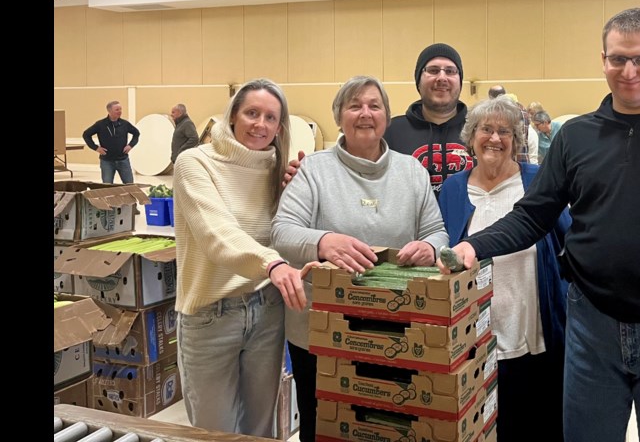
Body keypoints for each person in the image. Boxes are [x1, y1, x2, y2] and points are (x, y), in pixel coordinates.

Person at [438, 7, 640, 442]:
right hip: (591, 327)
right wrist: (474, 245)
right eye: (617, 58)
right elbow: (534, 214)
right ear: (603, 60)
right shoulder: (576, 136)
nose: (629, 70)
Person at [272, 75, 449, 442]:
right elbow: (282, 232)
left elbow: (437, 231)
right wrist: (324, 241)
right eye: (354, 106)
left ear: (386, 116)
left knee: (387, 424)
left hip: (393, 331)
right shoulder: (313, 170)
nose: (365, 114)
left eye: (374, 105)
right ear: (339, 117)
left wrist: (430, 248)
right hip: (321, 333)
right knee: (325, 425)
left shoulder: (412, 171)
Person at [173, 78, 313, 437]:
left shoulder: (275, 170)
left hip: (266, 310)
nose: (260, 124)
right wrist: (272, 263)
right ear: (233, 114)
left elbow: (283, 232)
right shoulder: (194, 163)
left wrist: (294, 192)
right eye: (252, 113)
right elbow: (217, 234)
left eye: (270, 117)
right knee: (214, 431)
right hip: (210, 317)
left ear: (279, 127)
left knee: (259, 429)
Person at [437, 96, 570, 442]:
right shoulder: (453, 188)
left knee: (539, 427)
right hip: (473, 344)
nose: (495, 138)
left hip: (533, 335)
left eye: (504, 131)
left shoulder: (537, 180)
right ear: (471, 136)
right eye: (486, 130)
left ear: (516, 139)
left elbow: (568, 241)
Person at [382, 43, 473, 194]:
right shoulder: (390, 132)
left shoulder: (480, 130)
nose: (442, 77)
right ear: (418, 81)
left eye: (450, 71)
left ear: (460, 81)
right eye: (433, 70)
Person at [82, 101, 141, 184]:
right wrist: (96, 148)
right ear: (109, 111)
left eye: (120, 109)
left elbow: (136, 133)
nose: (120, 111)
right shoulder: (100, 124)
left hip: (123, 160)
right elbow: (86, 134)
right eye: (117, 110)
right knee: (107, 185)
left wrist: (130, 145)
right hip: (107, 161)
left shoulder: (125, 124)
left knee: (129, 185)